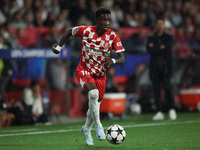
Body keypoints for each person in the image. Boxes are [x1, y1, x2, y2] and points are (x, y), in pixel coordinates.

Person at [52, 7, 125, 145]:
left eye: (108, 19)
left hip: (100, 75)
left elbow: (122, 57)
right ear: (97, 20)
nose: (107, 22)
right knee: (93, 94)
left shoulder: (113, 36)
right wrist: (58, 48)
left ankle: (86, 129)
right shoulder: (86, 31)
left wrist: (113, 60)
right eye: (103, 19)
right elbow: (68, 32)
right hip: (84, 70)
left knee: (95, 105)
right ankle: (98, 125)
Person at [146, 18, 177, 120]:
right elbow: (149, 49)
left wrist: (155, 48)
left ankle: (171, 109)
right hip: (155, 67)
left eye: (161, 24)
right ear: (156, 25)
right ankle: (159, 111)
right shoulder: (151, 37)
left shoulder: (168, 37)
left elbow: (167, 49)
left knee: (168, 88)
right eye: (158, 24)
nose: (160, 26)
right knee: (156, 90)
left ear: (164, 25)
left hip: (166, 67)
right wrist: (160, 48)